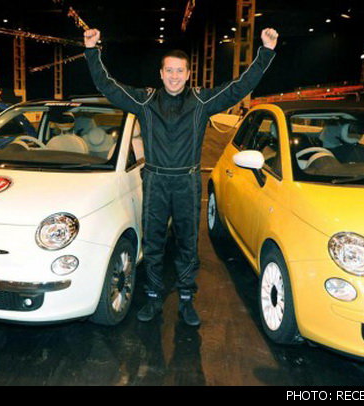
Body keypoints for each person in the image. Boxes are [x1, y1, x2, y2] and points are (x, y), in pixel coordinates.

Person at [84, 27, 278, 327]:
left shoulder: (201, 101)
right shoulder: (145, 101)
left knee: (188, 244)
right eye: (169, 71)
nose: (174, 76)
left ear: (188, 74)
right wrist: (91, 51)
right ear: (161, 74)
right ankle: (153, 297)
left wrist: (265, 52)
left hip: (187, 182)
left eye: (180, 71)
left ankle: (186, 299)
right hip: (156, 181)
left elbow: (240, 86)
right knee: (153, 243)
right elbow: (107, 86)